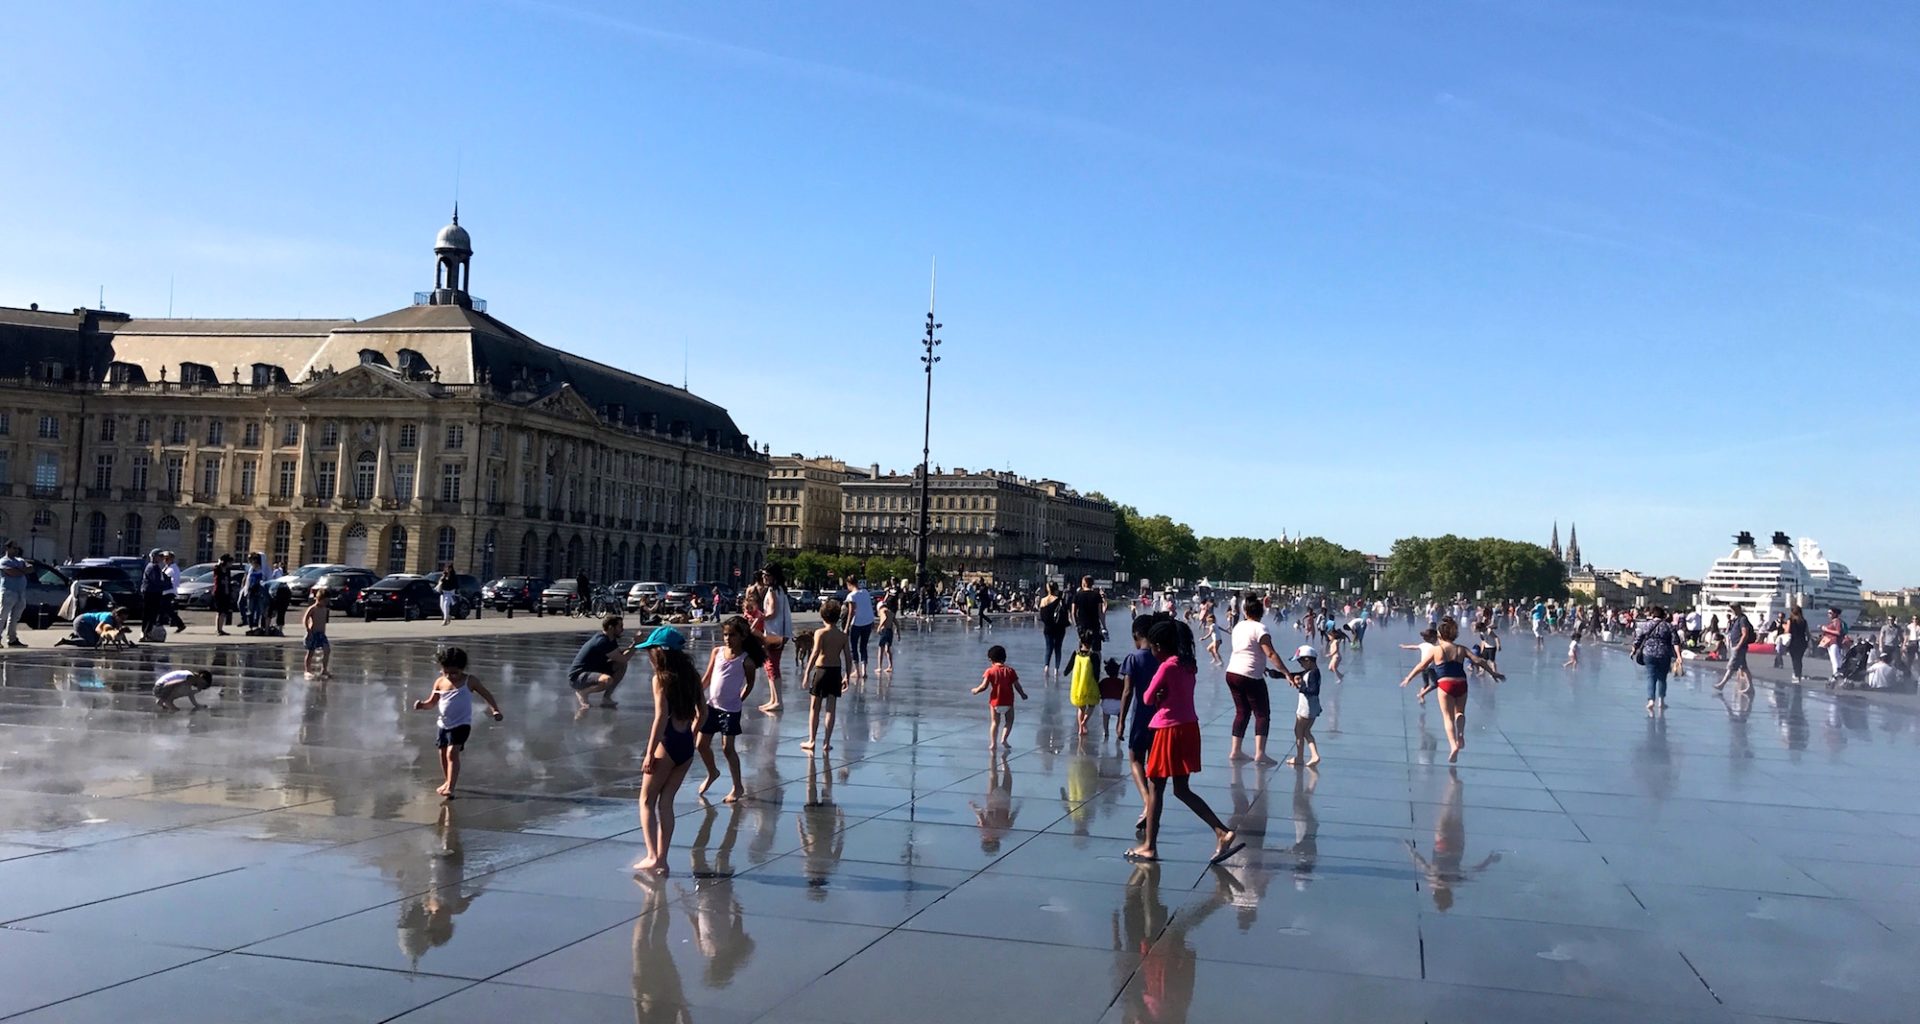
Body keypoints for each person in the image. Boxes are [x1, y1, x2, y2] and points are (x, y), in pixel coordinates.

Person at [1127, 620, 1243, 865]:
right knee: (1181, 789)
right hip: (1189, 728)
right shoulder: (1189, 666)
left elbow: (1147, 698)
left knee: (1156, 787)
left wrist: (1158, 696)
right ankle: (1222, 831)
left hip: (1168, 730)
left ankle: (1149, 846)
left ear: (1159, 646)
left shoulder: (1166, 667)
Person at [633, 626, 703, 875]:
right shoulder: (692, 676)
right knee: (667, 804)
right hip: (685, 744)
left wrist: (650, 752)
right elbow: (702, 713)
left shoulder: (661, 679)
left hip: (667, 742)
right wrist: (692, 736)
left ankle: (653, 857)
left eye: (650, 651)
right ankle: (663, 858)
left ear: (661, 653)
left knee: (646, 800)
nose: (649, 656)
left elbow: (661, 717)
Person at [1400, 617, 1503, 762]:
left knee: (1447, 717)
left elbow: (1422, 666)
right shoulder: (1461, 649)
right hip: (1461, 683)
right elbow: (1478, 660)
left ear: (1440, 635)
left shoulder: (1438, 649)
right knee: (1459, 713)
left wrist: (1408, 678)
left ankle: (1453, 745)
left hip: (1445, 684)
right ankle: (1460, 734)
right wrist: (1493, 673)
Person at [412, 646, 504, 799]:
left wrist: (495, 709)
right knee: (442, 753)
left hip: (462, 724)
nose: (450, 676)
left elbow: (486, 694)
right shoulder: (440, 682)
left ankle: (451, 787)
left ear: (463, 669)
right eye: (446, 672)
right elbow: (432, 702)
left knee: (452, 753)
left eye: (454, 672)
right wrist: (422, 705)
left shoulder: (470, 681)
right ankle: (447, 781)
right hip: (443, 724)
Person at [697, 615, 764, 803]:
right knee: (701, 745)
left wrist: (740, 699)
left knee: (728, 748)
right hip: (711, 706)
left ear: (742, 636)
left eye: (732, 635)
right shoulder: (717, 652)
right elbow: (708, 677)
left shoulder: (746, 660)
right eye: (725, 634)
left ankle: (738, 786)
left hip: (731, 709)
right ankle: (712, 772)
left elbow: (750, 683)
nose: (727, 638)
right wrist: (696, 694)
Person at [1223, 595, 1286, 766]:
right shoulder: (1261, 628)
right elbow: (1270, 653)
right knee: (1262, 713)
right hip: (1250, 676)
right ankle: (1260, 753)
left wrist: (1261, 666)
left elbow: (1245, 650)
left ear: (1245, 611)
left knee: (1242, 712)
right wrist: (1286, 673)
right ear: (1261, 613)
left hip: (1232, 672)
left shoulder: (1238, 626)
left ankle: (1235, 751)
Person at [1119, 614, 1163, 834]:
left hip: (1139, 717)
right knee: (1154, 765)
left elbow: (1127, 693)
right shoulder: (1161, 658)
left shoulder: (1133, 659)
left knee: (1136, 759)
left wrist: (1120, 721)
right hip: (1159, 718)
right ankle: (1152, 803)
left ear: (1136, 635)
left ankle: (1147, 802)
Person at [800, 598, 849, 752]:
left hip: (821, 671)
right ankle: (827, 742)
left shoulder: (820, 633)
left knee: (814, 707)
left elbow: (814, 654)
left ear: (822, 616)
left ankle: (812, 740)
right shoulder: (842, 636)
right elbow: (848, 657)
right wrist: (847, 675)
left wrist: (807, 672)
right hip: (835, 672)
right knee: (831, 709)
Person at [568, 614, 635, 710]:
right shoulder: (602, 641)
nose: (622, 629)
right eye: (620, 626)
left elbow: (621, 658)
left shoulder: (610, 639)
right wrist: (635, 644)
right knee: (607, 680)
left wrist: (634, 645)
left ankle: (606, 698)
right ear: (611, 628)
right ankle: (583, 692)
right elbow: (624, 658)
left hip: (593, 671)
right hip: (578, 677)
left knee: (621, 665)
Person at [971, 644, 1028, 748]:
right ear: (1004, 658)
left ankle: (993, 743)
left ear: (990, 659)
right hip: (1008, 702)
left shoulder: (990, 671)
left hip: (995, 702)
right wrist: (1022, 694)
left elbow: (984, 686)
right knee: (1009, 721)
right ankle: (1004, 739)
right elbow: (1017, 685)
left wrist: (976, 690)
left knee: (994, 723)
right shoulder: (1010, 671)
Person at [756, 567, 793, 712]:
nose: (764, 577)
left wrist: (759, 617)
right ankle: (774, 699)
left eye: (767, 575)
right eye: (763, 575)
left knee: (772, 666)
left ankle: (778, 701)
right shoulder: (780, 590)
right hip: (779, 632)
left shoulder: (772, 591)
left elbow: (772, 612)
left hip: (773, 632)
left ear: (774, 577)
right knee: (770, 666)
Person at [1631, 605, 1679, 713]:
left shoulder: (1647, 625)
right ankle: (1661, 701)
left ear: (1653, 614)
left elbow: (1638, 639)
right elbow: (1675, 641)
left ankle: (1651, 700)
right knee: (1662, 678)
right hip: (1664, 654)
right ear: (1663, 615)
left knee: (1651, 677)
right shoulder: (1669, 626)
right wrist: (1679, 656)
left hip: (1649, 654)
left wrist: (1634, 650)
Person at [1285, 645, 1323, 767]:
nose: (1300, 664)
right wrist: (1277, 673)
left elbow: (1314, 690)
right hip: (1312, 707)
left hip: (1306, 708)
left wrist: (1301, 686)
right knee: (1306, 731)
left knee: (1298, 731)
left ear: (1308, 660)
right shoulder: (1312, 672)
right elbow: (1296, 675)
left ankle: (1300, 758)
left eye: (1300, 661)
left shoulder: (1312, 674)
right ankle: (1314, 755)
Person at [1716, 603, 1755, 695]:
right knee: (1743, 668)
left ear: (1737, 608)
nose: (1732, 610)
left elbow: (1745, 633)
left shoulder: (1742, 619)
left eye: (1733, 608)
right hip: (1736, 645)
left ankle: (1722, 684)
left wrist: (1738, 645)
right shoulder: (1737, 619)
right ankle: (1751, 687)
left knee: (1731, 666)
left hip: (1739, 646)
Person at [843, 579, 876, 678]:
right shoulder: (865, 592)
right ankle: (864, 671)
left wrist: (846, 627)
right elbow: (869, 606)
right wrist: (872, 620)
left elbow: (851, 612)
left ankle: (857, 671)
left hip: (857, 623)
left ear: (849, 584)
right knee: (863, 647)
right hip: (868, 622)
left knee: (854, 647)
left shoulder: (851, 596)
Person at [1069, 575, 1106, 663]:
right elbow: (1100, 613)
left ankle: (1083, 666)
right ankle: (1097, 669)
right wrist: (1104, 626)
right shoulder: (1097, 596)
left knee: (1083, 648)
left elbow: (1073, 612)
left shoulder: (1077, 595)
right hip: (1095, 626)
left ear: (1084, 583)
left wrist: (1076, 624)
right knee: (1097, 650)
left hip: (1082, 626)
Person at [1037, 581, 1070, 678]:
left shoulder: (1043, 600)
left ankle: (1046, 667)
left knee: (1048, 647)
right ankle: (1056, 669)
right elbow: (1065, 612)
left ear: (1048, 588)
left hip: (1048, 628)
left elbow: (1042, 616)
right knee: (1058, 648)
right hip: (1059, 627)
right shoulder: (1059, 600)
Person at [1068, 637, 1100, 735]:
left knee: (1081, 707)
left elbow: (1068, 667)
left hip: (1078, 685)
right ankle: (1084, 722)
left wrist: (1065, 672)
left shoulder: (1076, 654)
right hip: (1090, 684)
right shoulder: (1093, 656)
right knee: (1092, 705)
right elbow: (1096, 672)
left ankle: (1080, 729)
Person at [1400, 627, 1441, 704]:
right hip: (1430, 668)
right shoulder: (1434, 647)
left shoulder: (1423, 645)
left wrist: (1405, 646)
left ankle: (1422, 697)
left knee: (1426, 684)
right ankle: (1421, 694)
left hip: (1422, 668)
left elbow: (1414, 647)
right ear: (1432, 638)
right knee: (1435, 684)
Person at [0, 540, 28, 647]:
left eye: (17, 548)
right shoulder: (3, 561)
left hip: (20, 592)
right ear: (7, 548)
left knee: (15, 618)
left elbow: (30, 568)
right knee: (2, 616)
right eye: (14, 548)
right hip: (8, 591)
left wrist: (20, 569)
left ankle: (12, 639)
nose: (16, 550)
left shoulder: (20, 560)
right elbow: (12, 572)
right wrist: (22, 570)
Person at [302, 589, 332, 680]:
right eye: (324, 601)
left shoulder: (325, 609)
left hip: (321, 634)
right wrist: (308, 630)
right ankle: (307, 670)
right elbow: (305, 619)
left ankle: (324, 669)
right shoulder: (313, 608)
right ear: (319, 599)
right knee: (311, 652)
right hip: (313, 633)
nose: (325, 603)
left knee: (327, 650)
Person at [139, 549, 169, 641]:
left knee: (149, 614)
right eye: (160, 556)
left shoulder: (153, 566)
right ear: (154, 556)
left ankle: (146, 633)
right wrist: (167, 584)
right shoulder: (153, 567)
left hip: (151, 592)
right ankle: (147, 633)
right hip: (152, 593)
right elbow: (156, 581)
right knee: (151, 614)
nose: (162, 558)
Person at [1819, 607, 1849, 687]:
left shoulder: (1837, 622)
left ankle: (1836, 675)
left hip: (1834, 642)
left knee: (1835, 660)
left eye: (1830, 613)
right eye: (1828, 613)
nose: (1828, 615)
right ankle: (1836, 675)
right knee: (1834, 660)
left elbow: (1838, 632)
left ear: (1835, 614)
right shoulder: (1833, 622)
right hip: (1830, 642)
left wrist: (1826, 629)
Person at [1098, 657, 1124, 741]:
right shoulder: (1120, 682)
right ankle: (1118, 730)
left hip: (1106, 705)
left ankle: (1106, 731)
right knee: (1120, 715)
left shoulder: (1104, 681)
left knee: (1105, 715)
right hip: (1118, 705)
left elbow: (1100, 693)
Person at [160, 552, 187, 634]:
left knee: (164, 609)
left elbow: (175, 582)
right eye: (164, 559)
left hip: (169, 592)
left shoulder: (173, 569)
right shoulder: (166, 568)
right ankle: (180, 624)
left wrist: (165, 584)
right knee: (168, 610)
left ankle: (159, 624)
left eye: (167, 559)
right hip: (164, 592)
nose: (165, 560)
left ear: (172, 559)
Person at [213, 553, 236, 635]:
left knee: (224, 612)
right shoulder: (218, 569)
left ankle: (221, 628)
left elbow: (229, 581)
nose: (231, 564)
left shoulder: (228, 571)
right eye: (230, 562)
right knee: (220, 611)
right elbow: (216, 566)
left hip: (226, 593)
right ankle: (218, 629)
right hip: (219, 593)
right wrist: (220, 561)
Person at [1786, 605, 1810, 683]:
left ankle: (1796, 675)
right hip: (1802, 642)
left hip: (1793, 642)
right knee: (1799, 659)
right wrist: (1808, 642)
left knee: (1794, 659)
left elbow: (1787, 631)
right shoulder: (1804, 621)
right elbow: (1807, 633)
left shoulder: (1790, 620)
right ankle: (1798, 674)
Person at [873, 598, 896, 675]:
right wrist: (898, 633)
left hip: (884, 631)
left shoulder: (882, 611)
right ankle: (890, 666)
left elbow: (884, 618)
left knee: (881, 649)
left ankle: (879, 667)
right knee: (888, 649)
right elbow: (896, 623)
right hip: (890, 631)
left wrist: (879, 627)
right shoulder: (891, 612)